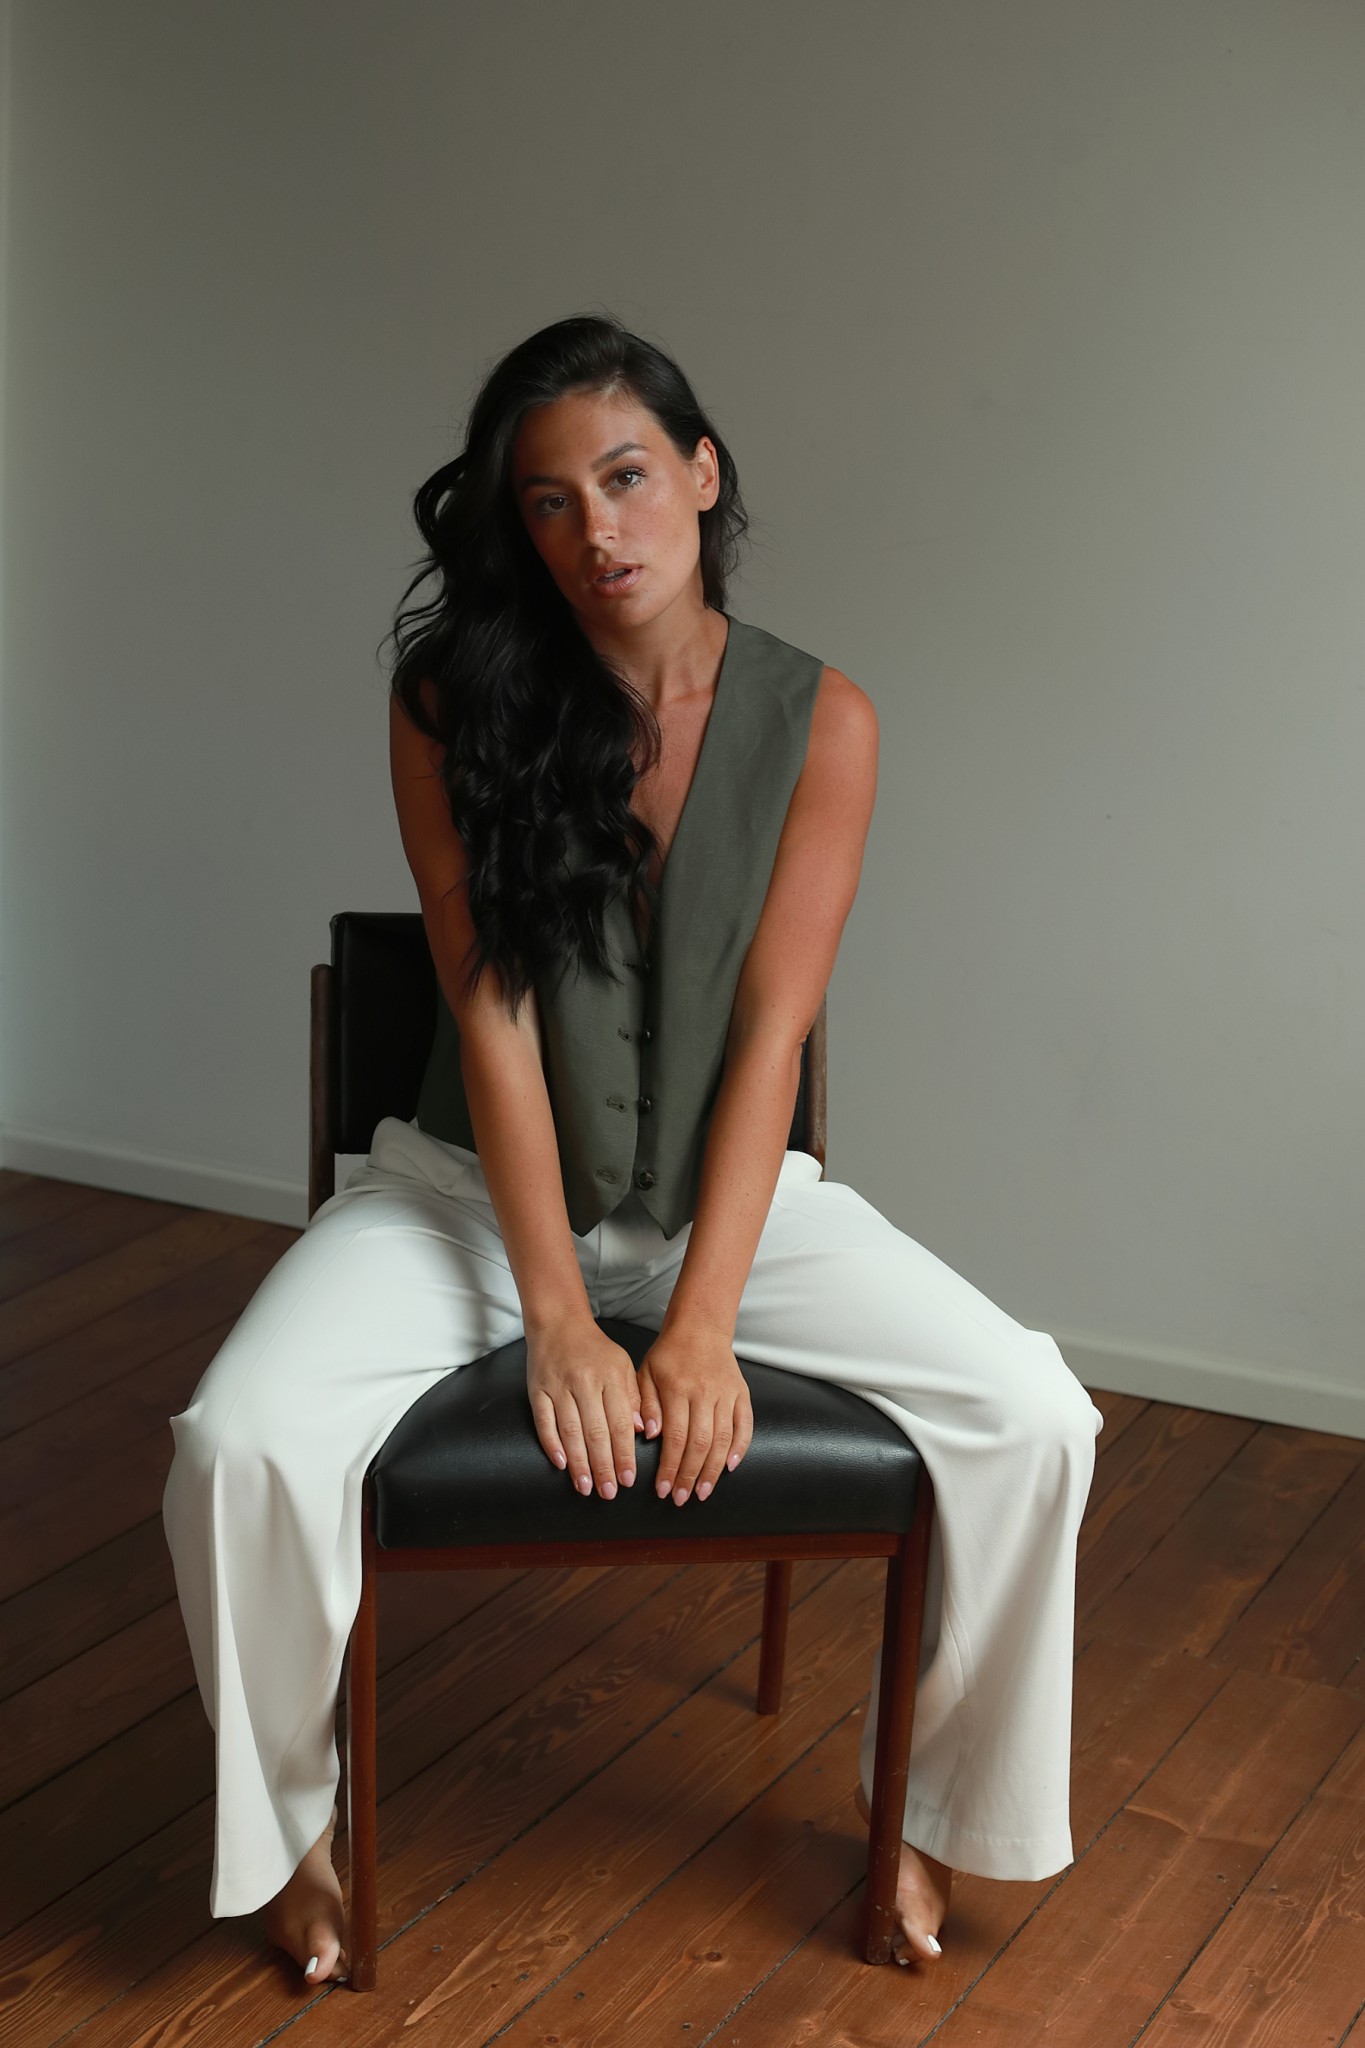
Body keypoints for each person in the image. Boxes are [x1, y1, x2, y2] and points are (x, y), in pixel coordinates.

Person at [162, 313, 1103, 1990]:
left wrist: (699, 1317)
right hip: (466, 1199)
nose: (595, 530)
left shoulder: (824, 720)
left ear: (701, 473)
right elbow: (492, 1017)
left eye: (625, 478)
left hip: (726, 1210)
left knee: (1035, 1412)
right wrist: (557, 1314)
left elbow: (771, 1039)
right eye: (548, 501)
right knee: (238, 1441)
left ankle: (932, 1810)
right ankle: (292, 1832)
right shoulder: (452, 703)